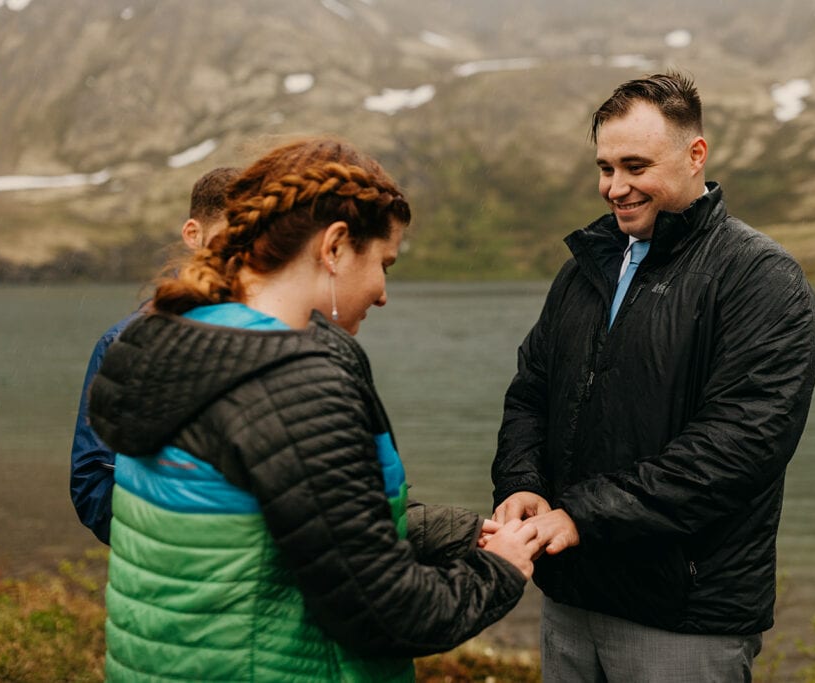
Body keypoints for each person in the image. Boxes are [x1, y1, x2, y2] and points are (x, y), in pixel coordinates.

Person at [87, 137, 540, 682]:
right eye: (384, 265)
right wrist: (500, 568)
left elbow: (295, 525)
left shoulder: (173, 344)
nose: (382, 294)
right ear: (334, 247)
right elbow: (386, 612)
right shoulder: (289, 385)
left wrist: (463, 532)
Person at [490, 71, 815, 682]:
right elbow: (531, 392)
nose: (614, 187)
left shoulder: (760, 278)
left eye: (635, 166)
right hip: (570, 598)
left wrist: (580, 516)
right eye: (605, 167)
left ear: (696, 154)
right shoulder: (583, 271)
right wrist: (521, 483)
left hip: (684, 617)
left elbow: (737, 448)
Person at [70, 166, 241, 544]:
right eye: (230, 239)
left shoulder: (290, 337)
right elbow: (92, 485)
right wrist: (188, 538)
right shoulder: (125, 342)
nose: (241, 258)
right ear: (193, 235)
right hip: (170, 574)